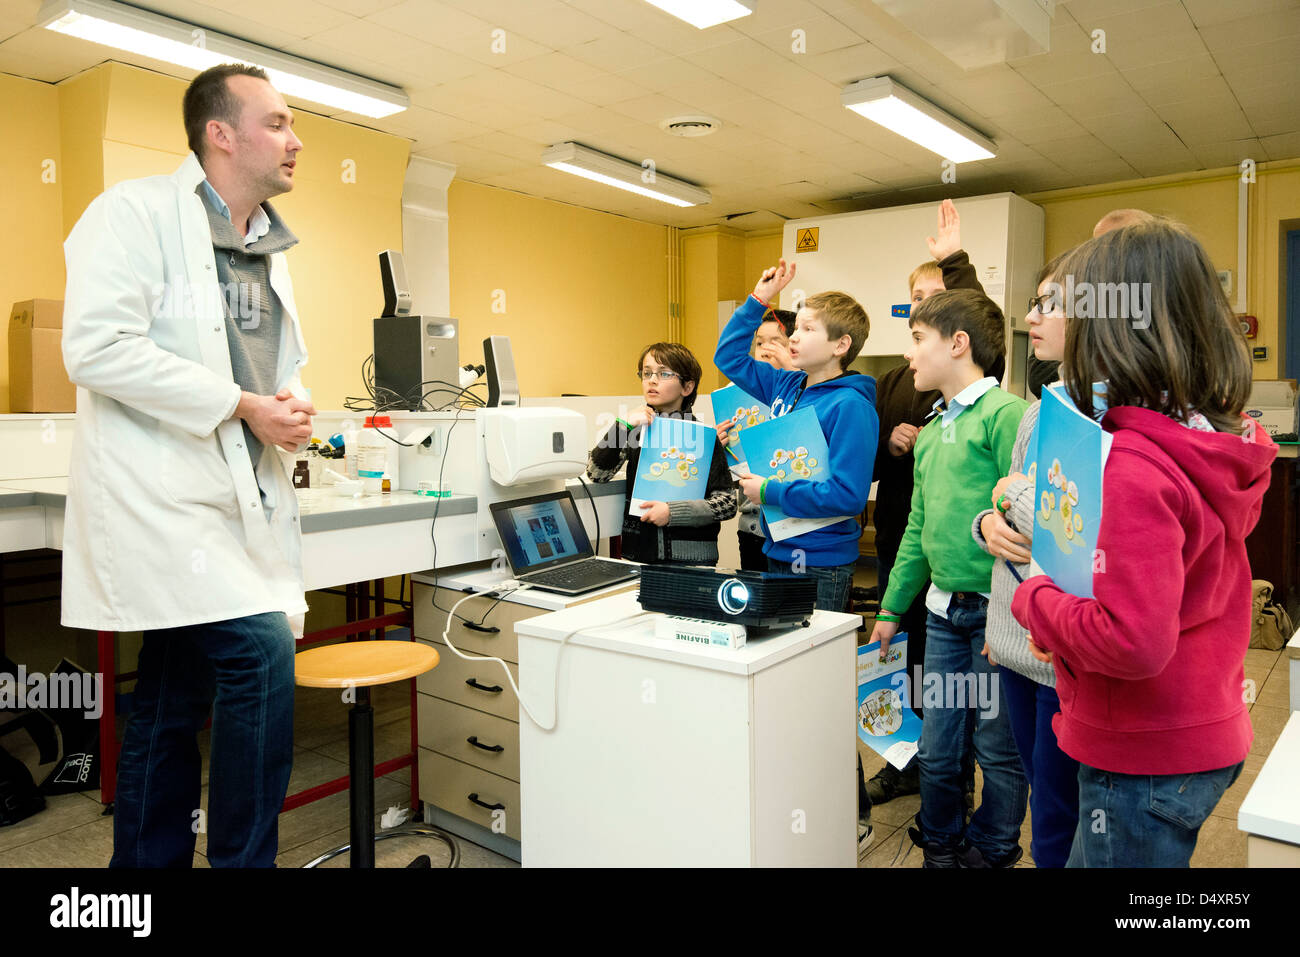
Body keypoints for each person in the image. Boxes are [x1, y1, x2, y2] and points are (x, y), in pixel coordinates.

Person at [61, 63, 314, 868]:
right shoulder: (132, 213)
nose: (295, 139)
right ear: (220, 133)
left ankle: (138, 874)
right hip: (159, 500)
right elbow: (95, 348)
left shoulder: (266, 250)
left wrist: (288, 408)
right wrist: (246, 405)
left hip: (234, 500)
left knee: (171, 697)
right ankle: (245, 862)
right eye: (276, 122)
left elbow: (270, 363)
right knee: (262, 656)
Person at [1010, 221, 1274, 867]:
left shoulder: (1134, 463)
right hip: (1195, 730)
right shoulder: (1200, 436)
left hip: (1143, 754)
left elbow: (1131, 639)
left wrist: (1035, 600)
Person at [868, 288, 1029, 868]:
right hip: (941, 616)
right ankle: (940, 844)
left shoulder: (1007, 416)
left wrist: (1011, 617)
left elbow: (1030, 520)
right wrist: (889, 611)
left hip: (995, 614)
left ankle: (992, 849)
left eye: (917, 340)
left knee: (997, 750)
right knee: (936, 749)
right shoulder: (932, 431)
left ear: (957, 344)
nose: (908, 355)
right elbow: (917, 530)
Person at [968, 251, 1080, 867]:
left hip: (1061, 649)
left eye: (1047, 304)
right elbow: (1010, 523)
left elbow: (1067, 531)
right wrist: (988, 522)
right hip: (1014, 636)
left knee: (1062, 817)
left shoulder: (1098, 415)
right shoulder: (1040, 407)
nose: (1032, 316)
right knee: (1043, 800)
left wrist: (1006, 494)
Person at [714, 261, 877, 613]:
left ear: (840, 345)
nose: (794, 337)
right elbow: (727, 357)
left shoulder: (850, 406)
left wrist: (770, 491)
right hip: (777, 548)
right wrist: (759, 299)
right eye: (796, 328)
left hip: (821, 560)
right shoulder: (786, 384)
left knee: (810, 663)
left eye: (808, 329)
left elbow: (848, 496)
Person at [587, 342, 735, 565]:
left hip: (692, 561)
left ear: (687, 387)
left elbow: (727, 503)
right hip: (638, 555)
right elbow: (596, 473)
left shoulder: (703, 436)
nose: (652, 380)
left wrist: (673, 512)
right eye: (646, 373)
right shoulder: (635, 430)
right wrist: (621, 425)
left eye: (664, 373)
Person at [734, 308, 796, 571]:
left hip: (792, 524)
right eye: (759, 342)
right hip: (751, 527)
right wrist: (723, 446)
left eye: (776, 342)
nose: (765, 349)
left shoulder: (806, 392)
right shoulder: (735, 396)